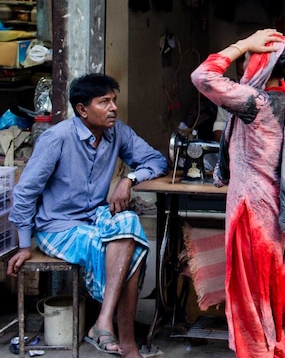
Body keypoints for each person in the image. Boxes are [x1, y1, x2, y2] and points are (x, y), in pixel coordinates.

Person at [7, 73, 167, 358]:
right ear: (82, 109)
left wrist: (128, 178)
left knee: (129, 223)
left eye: (114, 101)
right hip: (57, 226)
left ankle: (104, 322)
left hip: (94, 216)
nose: (113, 108)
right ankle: (125, 341)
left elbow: (156, 160)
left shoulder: (118, 132)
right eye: (104, 102)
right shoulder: (57, 138)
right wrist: (23, 244)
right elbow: (25, 192)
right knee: (123, 244)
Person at [190, 29, 285, 358]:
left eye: (249, 56)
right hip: (283, 218)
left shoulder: (253, 102)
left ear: (262, 61)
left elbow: (202, 76)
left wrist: (242, 43)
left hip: (252, 216)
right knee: (268, 301)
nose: (243, 62)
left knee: (250, 302)